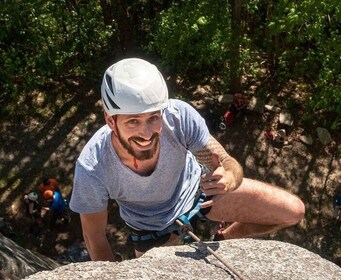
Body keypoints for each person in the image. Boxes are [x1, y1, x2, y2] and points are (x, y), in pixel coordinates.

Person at [69, 58, 305, 261]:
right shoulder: (93, 167)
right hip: (151, 227)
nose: (147, 133)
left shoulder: (178, 118)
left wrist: (230, 178)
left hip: (199, 193)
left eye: (153, 117)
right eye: (133, 122)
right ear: (111, 121)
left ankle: (226, 238)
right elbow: (94, 237)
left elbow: (226, 161)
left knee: (292, 211)